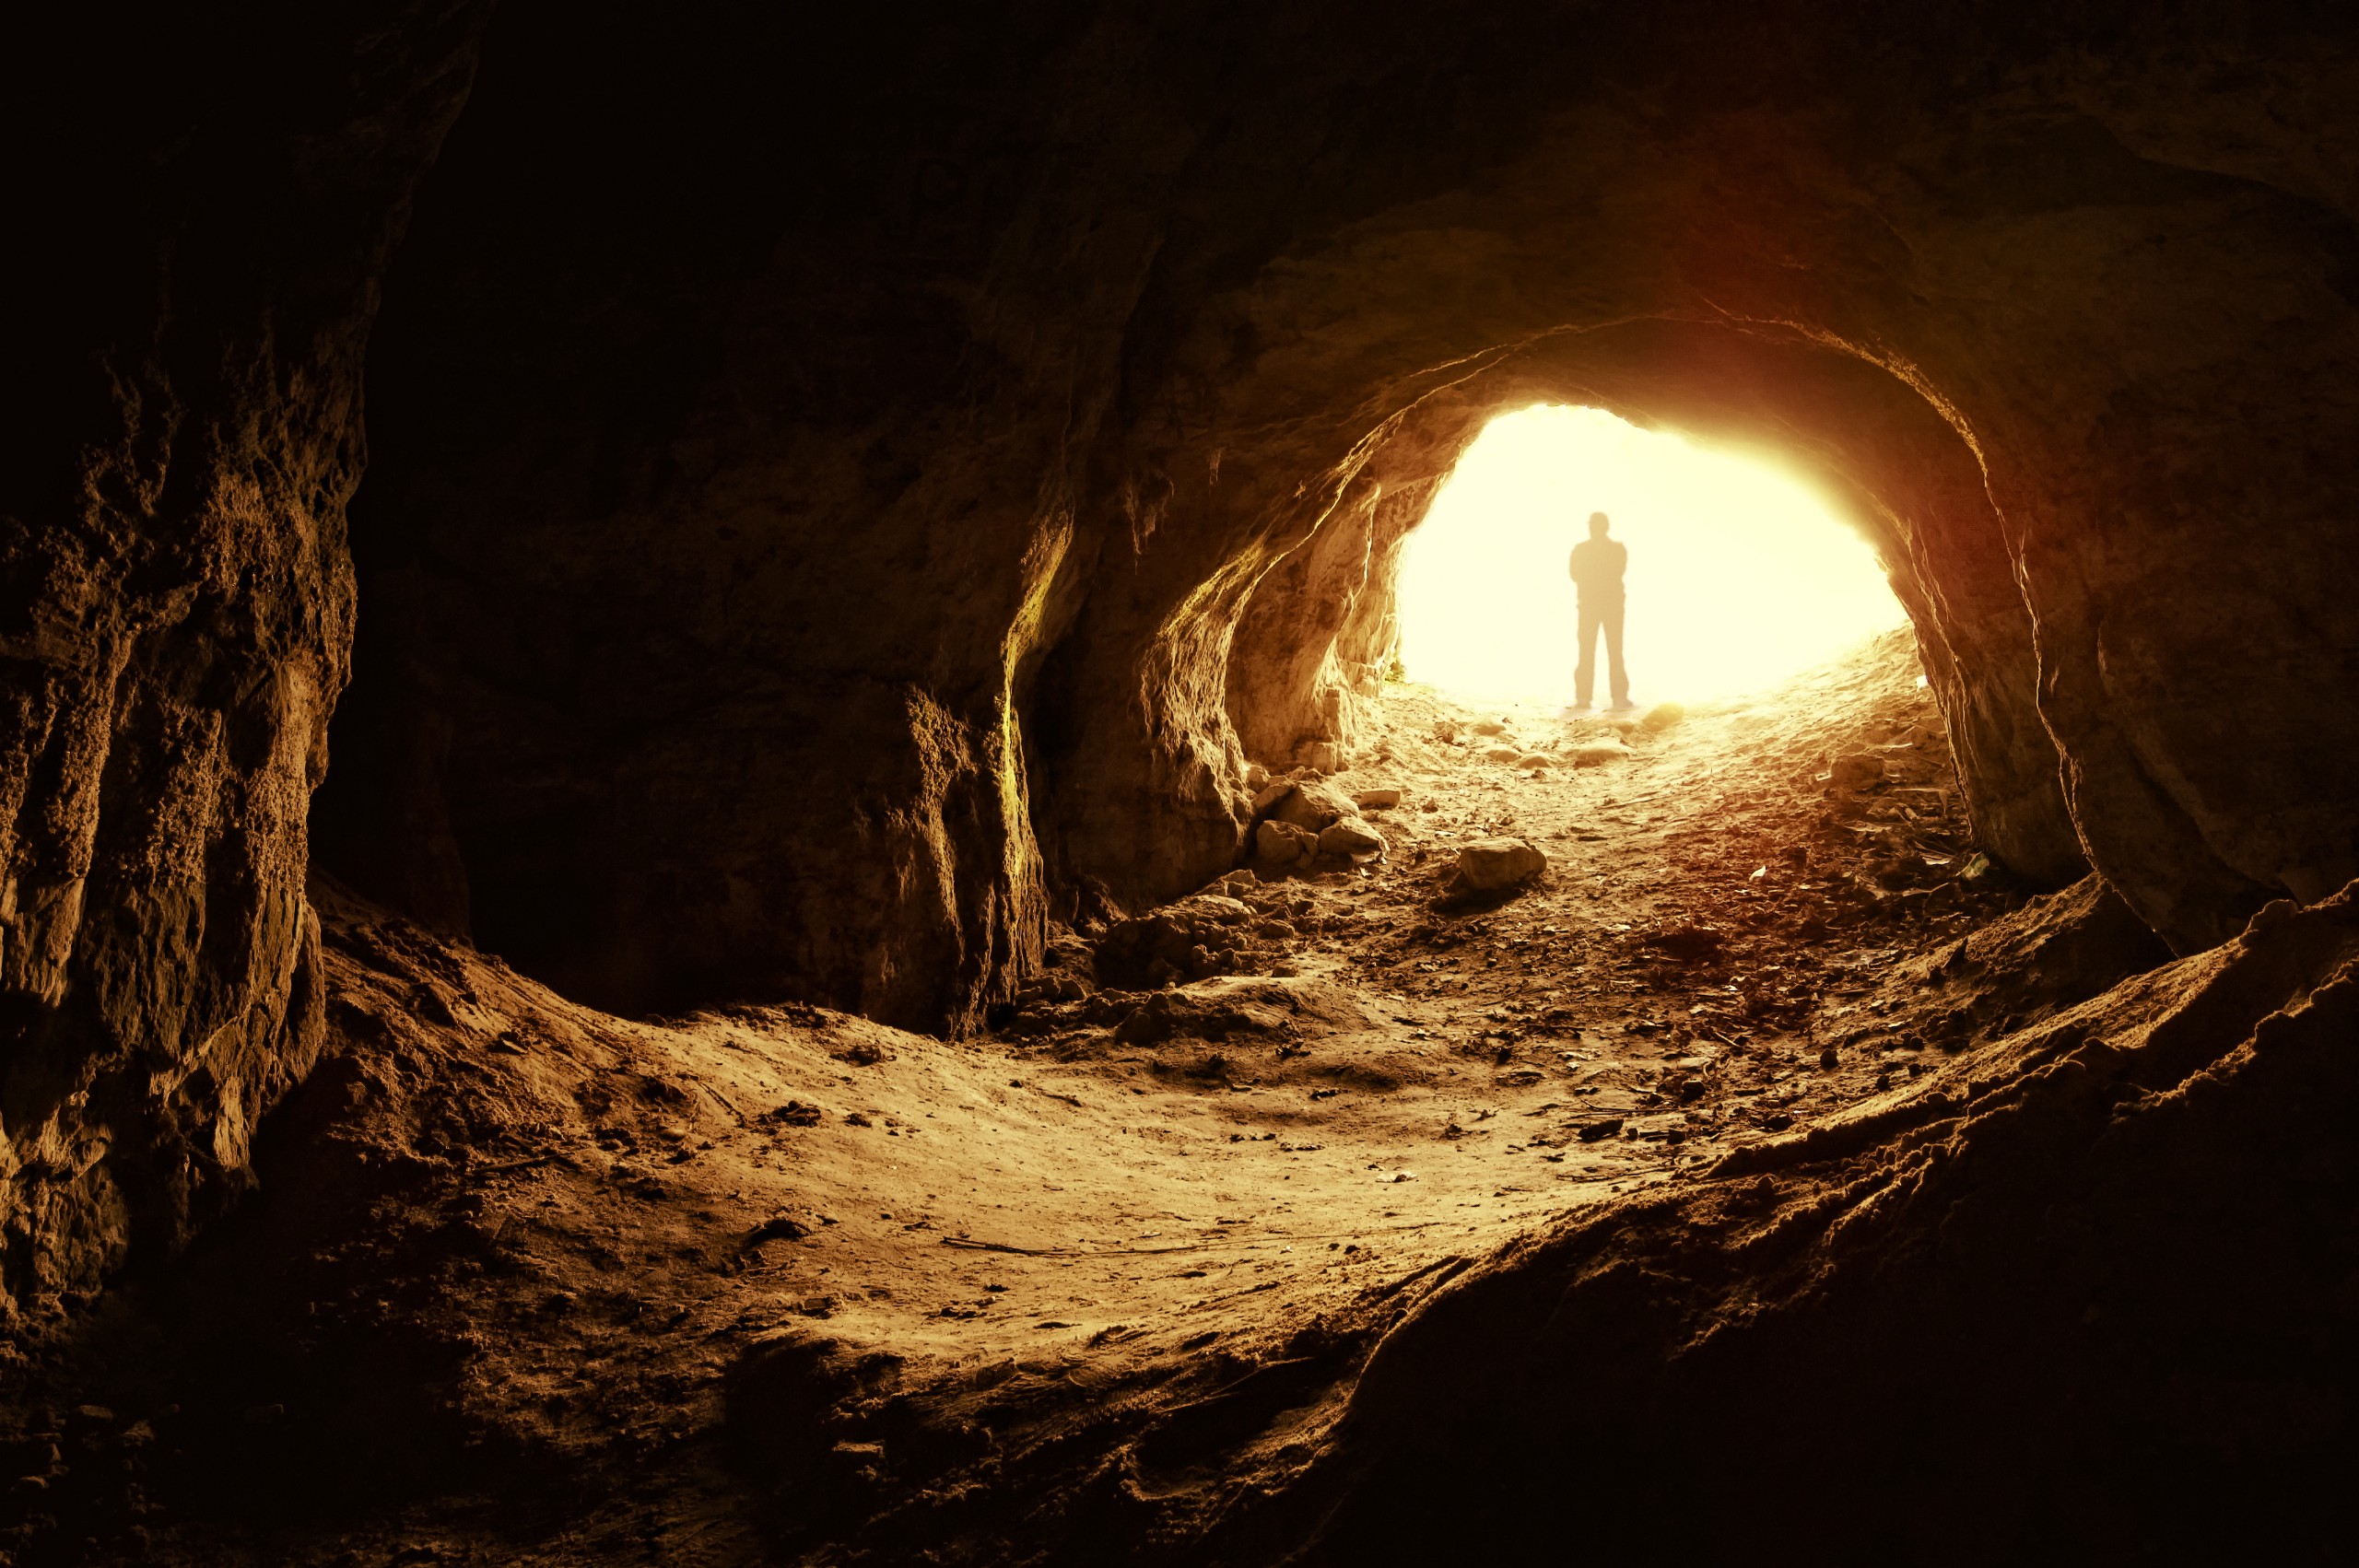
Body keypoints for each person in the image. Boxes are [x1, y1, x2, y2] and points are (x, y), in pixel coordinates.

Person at [1567, 509, 1632, 712]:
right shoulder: (1604, 549)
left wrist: (1592, 579)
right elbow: (1575, 574)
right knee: (1592, 651)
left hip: (1602, 606)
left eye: (1595, 525)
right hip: (1595, 606)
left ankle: (1614, 697)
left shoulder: (1613, 549)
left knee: (1610, 651)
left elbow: (1578, 574)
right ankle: (1587, 697)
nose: (1593, 529)